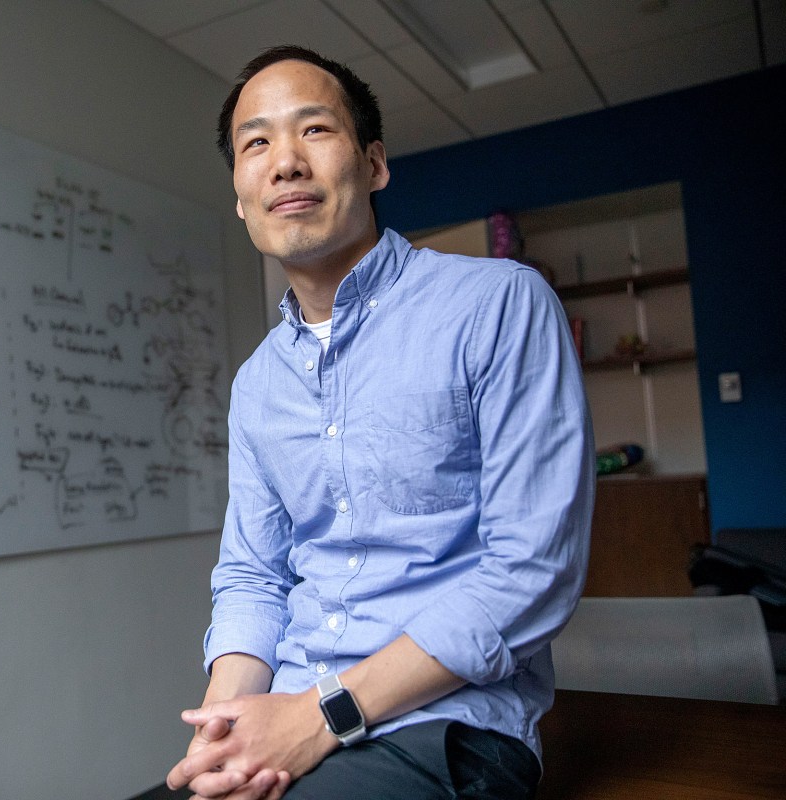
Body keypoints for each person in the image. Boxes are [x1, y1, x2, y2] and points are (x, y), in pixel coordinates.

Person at [165, 45, 594, 800]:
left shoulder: (498, 305)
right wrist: (226, 728)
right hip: (285, 716)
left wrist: (316, 717)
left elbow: (531, 571)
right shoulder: (258, 384)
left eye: (315, 131)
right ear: (240, 195)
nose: (285, 162)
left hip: (443, 727)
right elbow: (254, 576)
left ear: (375, 164)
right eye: (256, 143)